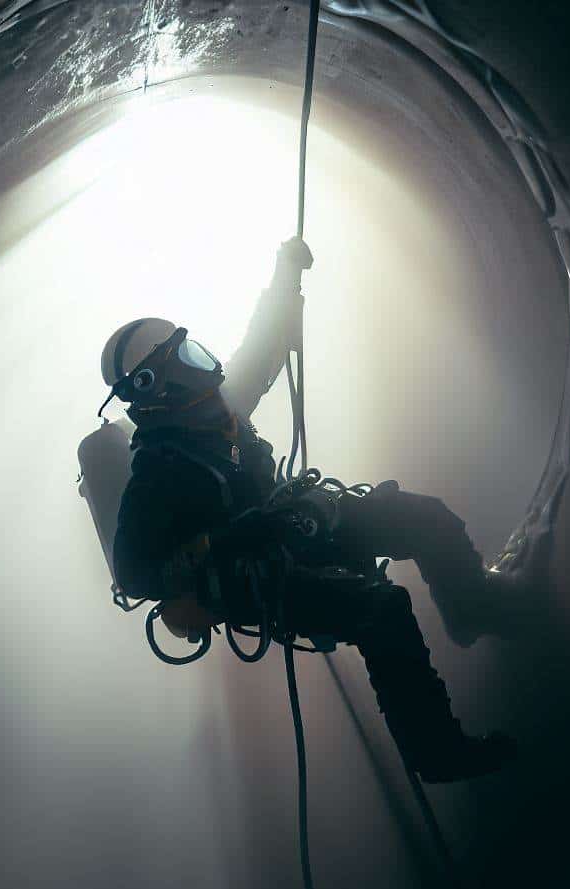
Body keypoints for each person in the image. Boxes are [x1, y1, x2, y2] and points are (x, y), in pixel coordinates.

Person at [99, 238, 517, 783]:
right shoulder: (158, 470)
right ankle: (436, 754)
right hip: (257, 580)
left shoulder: (212, 408)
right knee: (380, 608)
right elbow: (133, 572)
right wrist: (229, 541)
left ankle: (472, 608)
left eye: (187, 346)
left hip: (292, 528)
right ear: (155, 383)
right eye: (179, 355)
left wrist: (284, 275)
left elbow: (262, 351)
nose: (195, 358)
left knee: (422, 518)